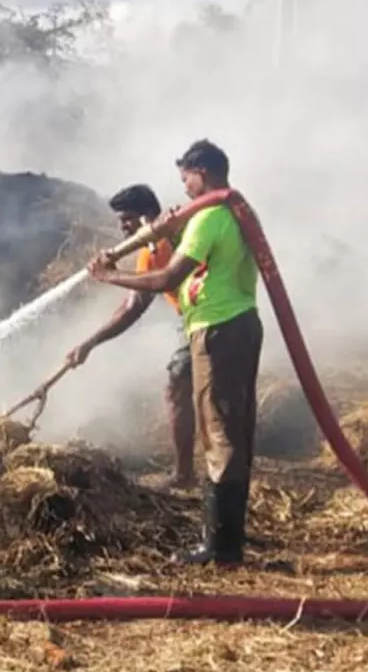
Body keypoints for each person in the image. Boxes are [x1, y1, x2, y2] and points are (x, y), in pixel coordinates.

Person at [87, 139, 261, 565]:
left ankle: (221, 548)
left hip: (217, 328)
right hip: (233, 324)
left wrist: (109, 276)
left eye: (186, 178)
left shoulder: (211, 216)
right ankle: (228, 539)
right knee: (231, 430)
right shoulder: (229, 212)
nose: (183, 188)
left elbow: (167, 279)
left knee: (219, 433)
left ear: (202, 173)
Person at [65, 184, 195, 490]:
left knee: (180, 387)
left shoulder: (176, 234)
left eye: (127, 219)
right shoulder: (148, 254)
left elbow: (165, 281)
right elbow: (132, 307)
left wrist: (110, 275)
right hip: (190, 322)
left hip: (210, 316)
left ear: (147, 215)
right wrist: (90, 343)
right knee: (181, 387)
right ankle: (188, 473)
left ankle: (185, 476)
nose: (123, 227)